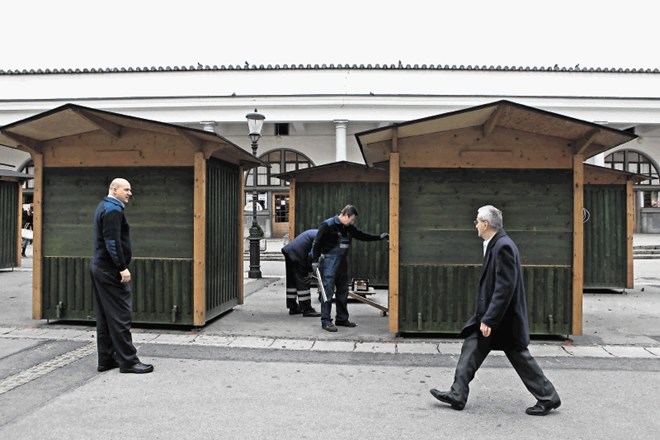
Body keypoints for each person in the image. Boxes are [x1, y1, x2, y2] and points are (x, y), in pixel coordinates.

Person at [430, 205, 560, 415]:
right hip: (493, 316)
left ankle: (548, 397)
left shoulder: (503, 246)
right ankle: (458, 393)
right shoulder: (495, 244)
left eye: (477, 221)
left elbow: (504, 287)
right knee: (471, 347)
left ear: (486, 224)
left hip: (502, 319)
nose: (475, 225)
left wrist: (489, 318)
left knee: (519, 356)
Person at [91, 178, 154, 374]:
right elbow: (112, 242)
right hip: (110, 270)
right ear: (115, 189)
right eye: (126, 189)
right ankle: (128, 361)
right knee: (120, 315)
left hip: (99, 267)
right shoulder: (113, 210)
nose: (130, 193)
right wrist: (122, 267)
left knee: (105, 316)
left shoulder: (103, 206)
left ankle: (107, 359)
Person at [310, 204, 388, 332]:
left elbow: (361, 235)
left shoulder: (348, 227)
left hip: (342, 262)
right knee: (327, 292)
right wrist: (314, 260)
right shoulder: (328, 225)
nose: (352, 222)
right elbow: (316, 243)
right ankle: (326, 321)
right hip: (329, 261)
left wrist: (379, 237)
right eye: (351, 219)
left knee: (343, 291)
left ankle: (341, 319)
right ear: (345, 215)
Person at [281, 229, 321, 317]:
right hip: (297, 254)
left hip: (289, 251)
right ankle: (307, 309)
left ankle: (293, 307)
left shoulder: (317, 232)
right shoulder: (323, 237)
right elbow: (312, 255)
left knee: (292, 280)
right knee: (303, 280)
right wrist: (310, 271)